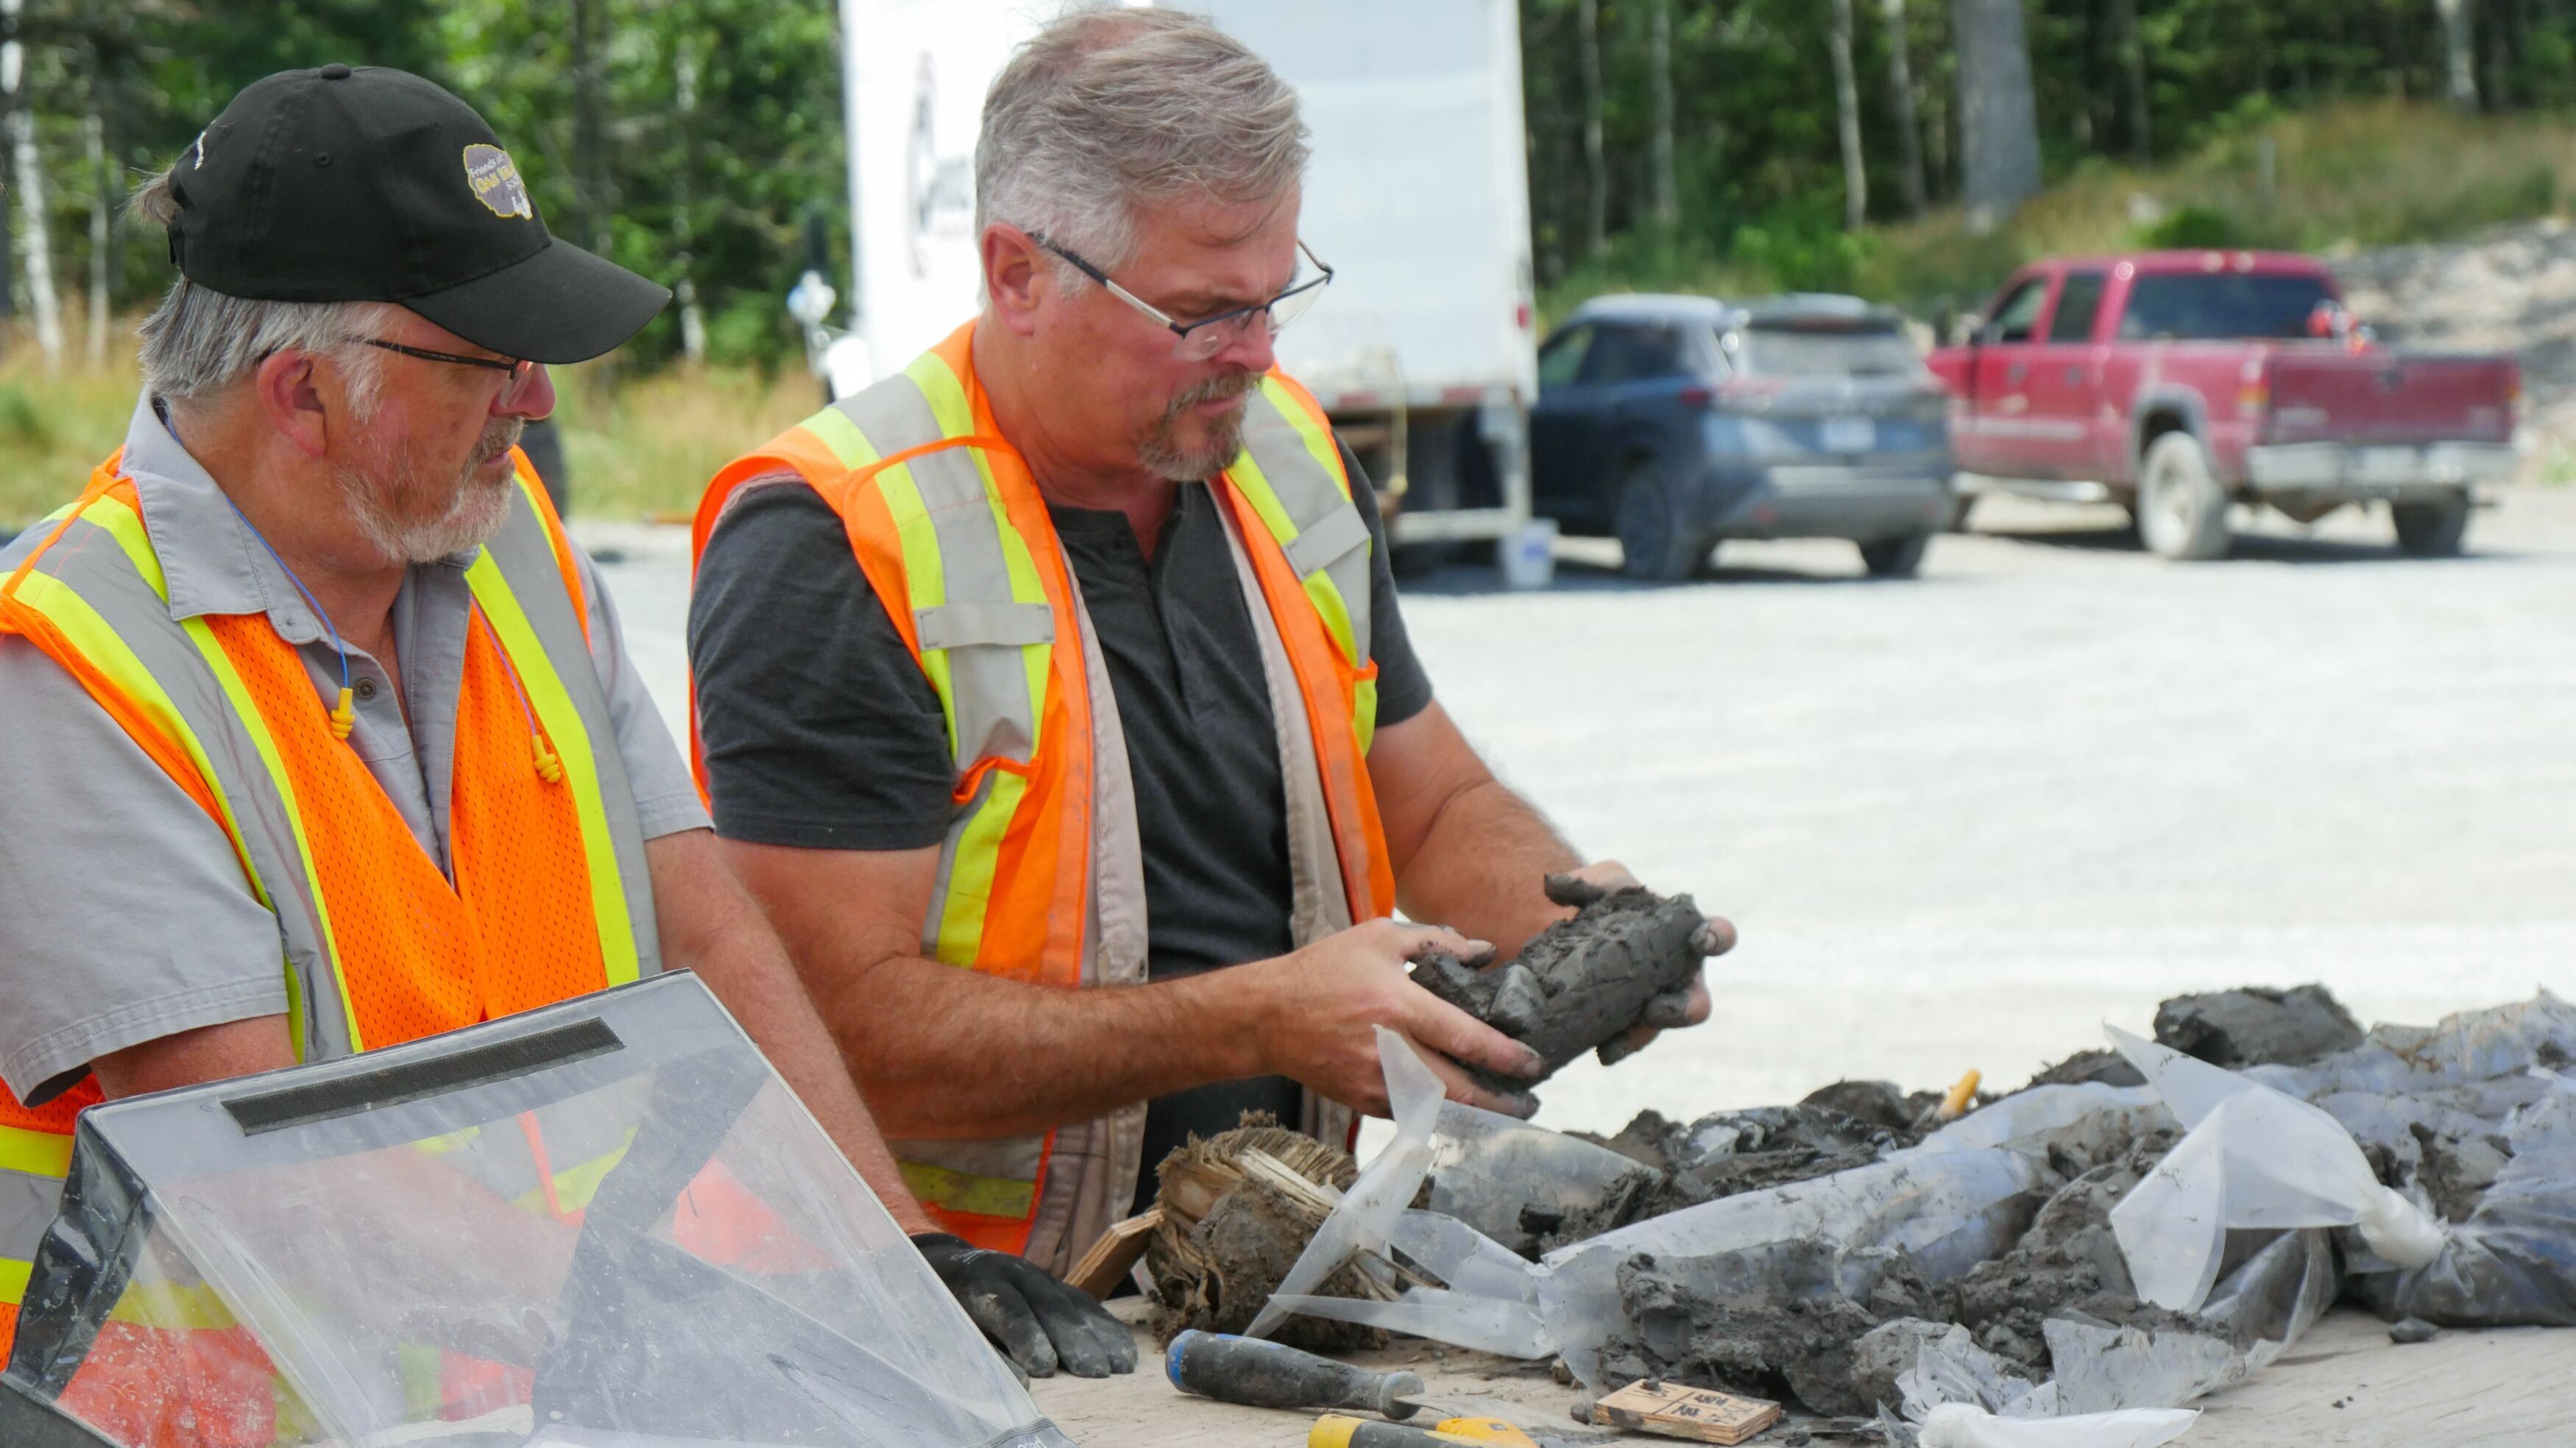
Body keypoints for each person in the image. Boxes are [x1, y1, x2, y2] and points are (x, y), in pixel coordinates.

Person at [0, 63, 1132, 1395]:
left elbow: (703, 928)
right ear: (301, 394)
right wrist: (671, 1331)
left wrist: (897, 1249)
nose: (536, 399)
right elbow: (264, 1173)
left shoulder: (509, 542)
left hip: (543, 1391)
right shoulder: (68, 665)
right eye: (490, 359)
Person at [689, 10, 1734, 1285]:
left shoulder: (1283, 453)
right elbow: (832, 1024)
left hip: (1241, 1272)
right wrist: (1259, 1021)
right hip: (946, 1307)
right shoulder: (837, 539)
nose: (1256, 354)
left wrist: (1577, 935)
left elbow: (1437, 794)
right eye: (1200, 314)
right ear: (1018, 272)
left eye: (1276, 296)